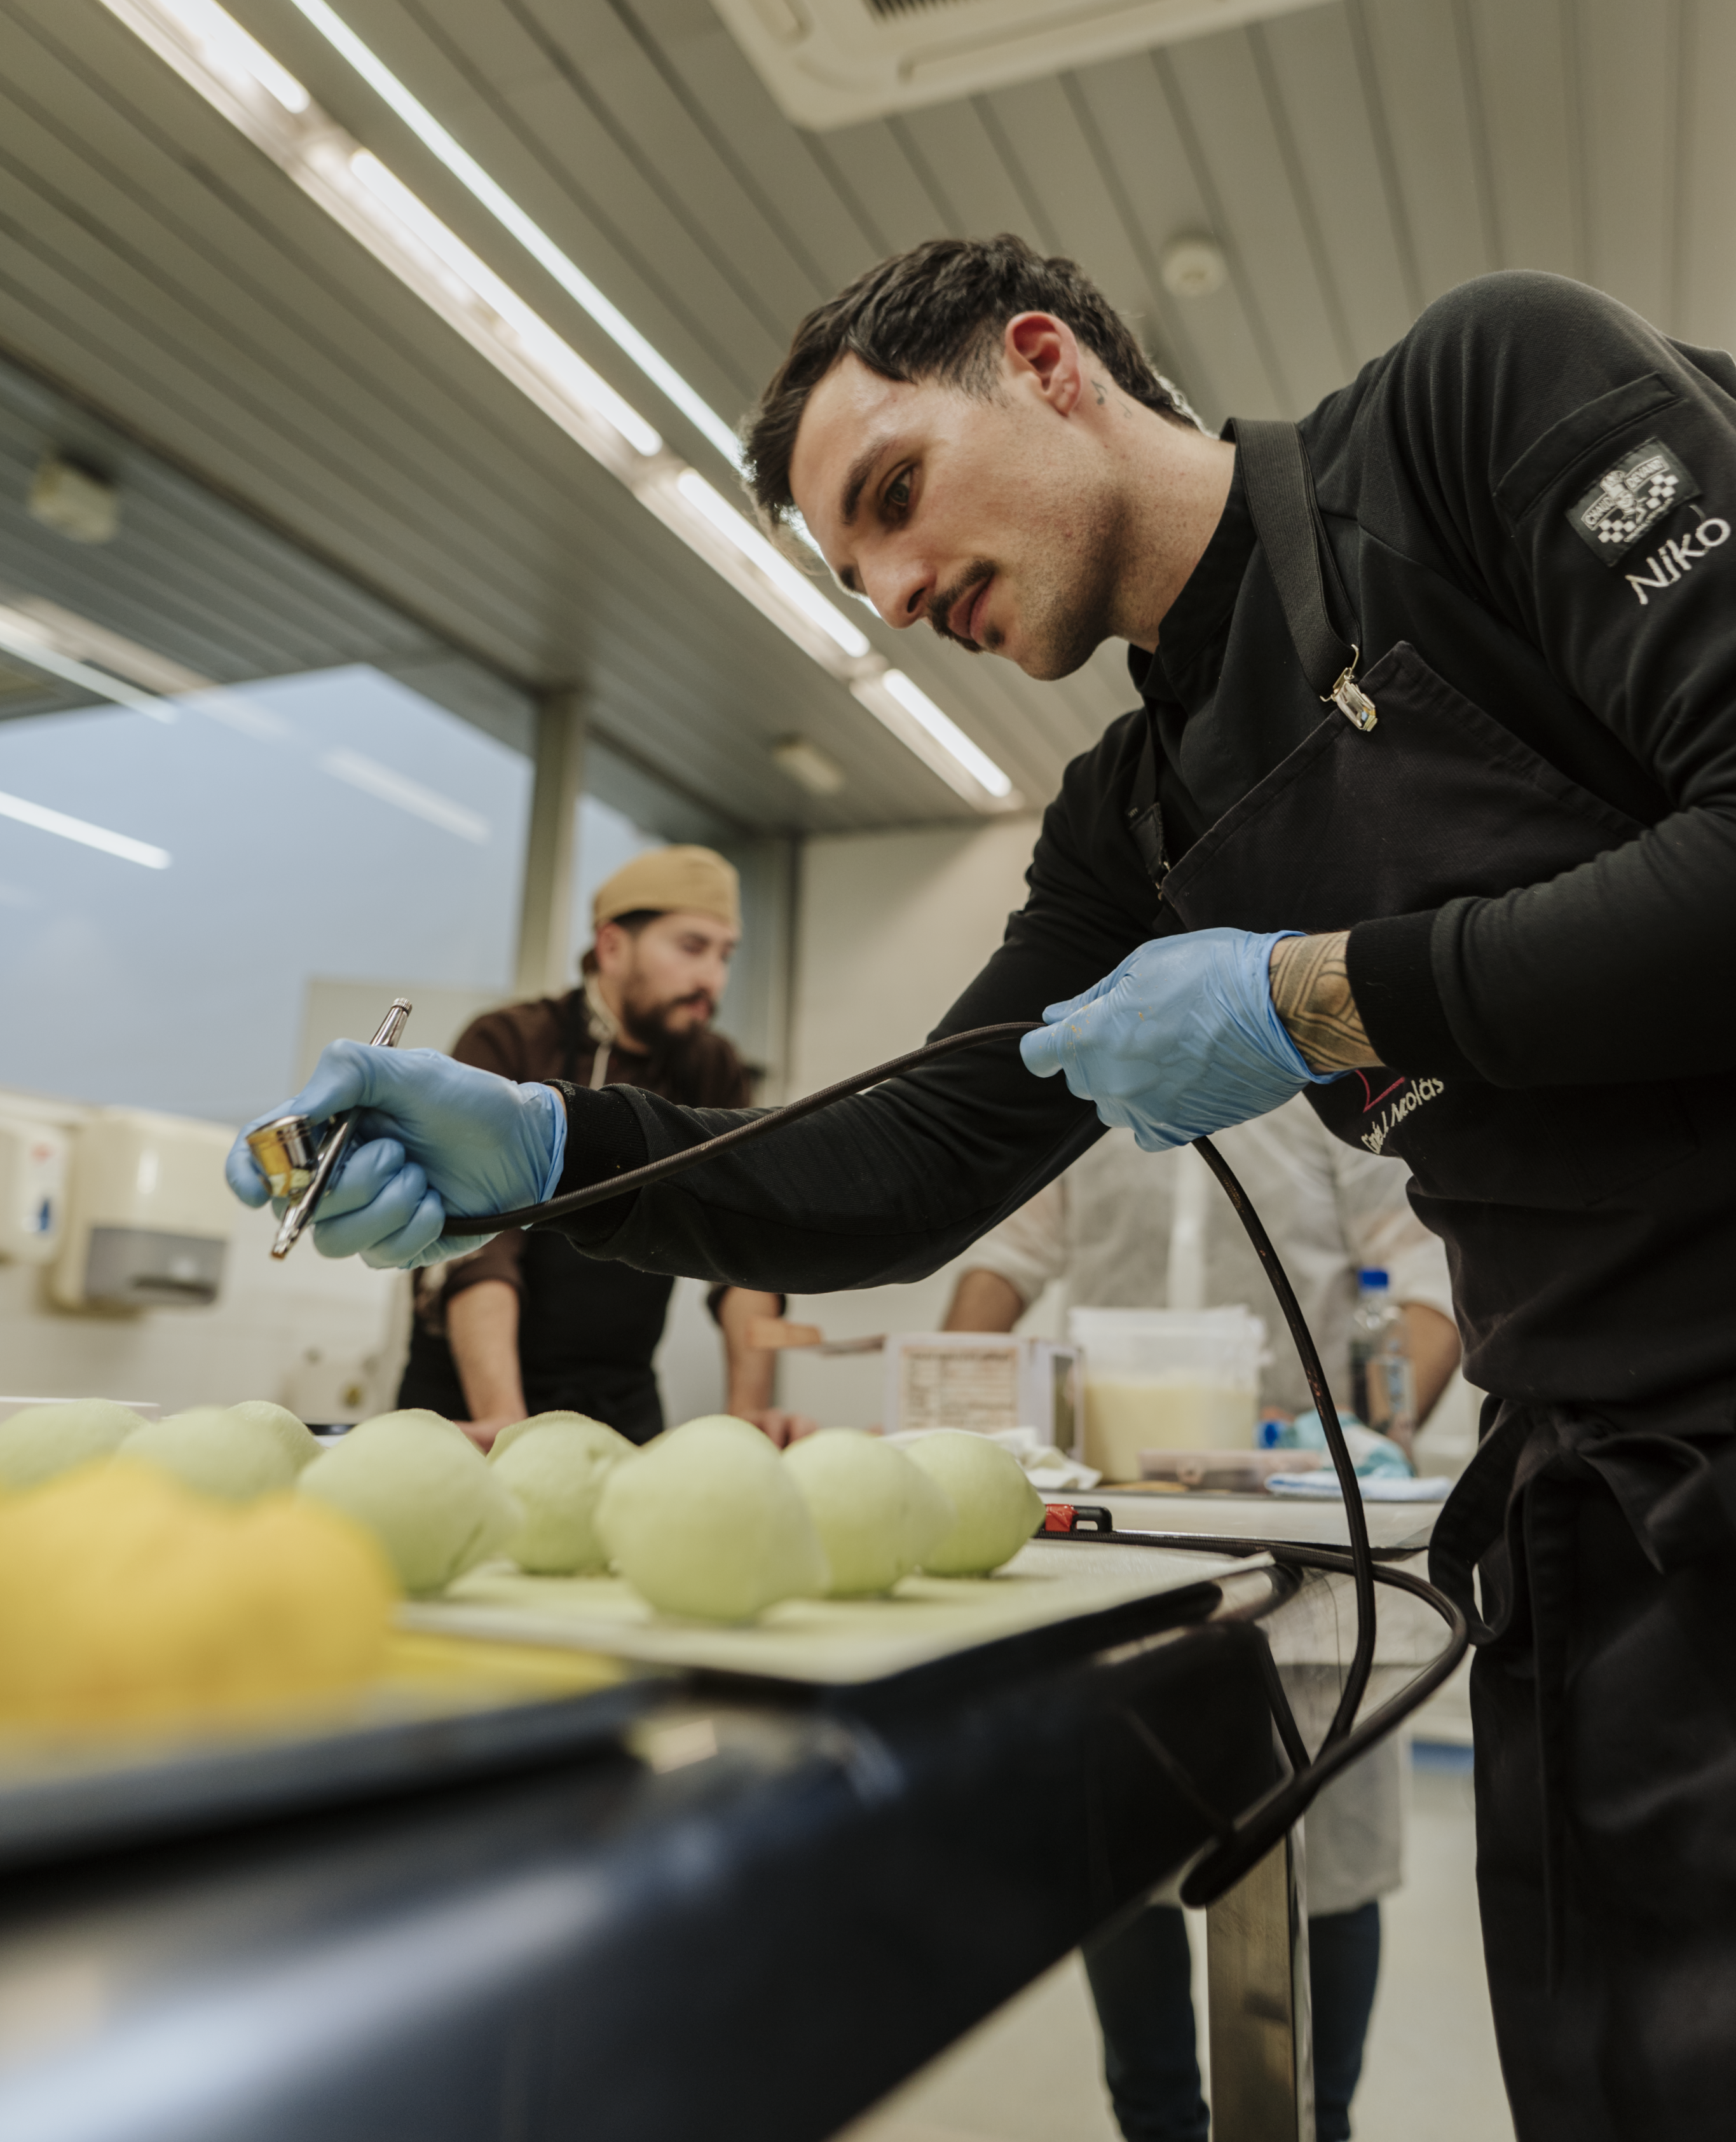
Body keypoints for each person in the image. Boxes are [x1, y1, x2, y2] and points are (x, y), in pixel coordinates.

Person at [231, 239, 1736, 2138]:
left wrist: (1314, 993)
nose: (887, 590)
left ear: (1043, 365)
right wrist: (552, 1152)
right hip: (1601, 1534)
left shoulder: (1471, 414)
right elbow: (912, 1159)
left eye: (891, 496)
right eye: (847, 571)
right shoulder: (1142, 812)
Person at [941, 1097, 1459, 2142]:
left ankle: (1321, 2121)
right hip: (1127, 1526)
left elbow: (1421, 1271)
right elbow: (1010, 1251)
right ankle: (1158, 2124)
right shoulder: (1098, 1099)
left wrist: (1375, 1438)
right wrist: (947, 1412)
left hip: (1299, 1511)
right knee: (1123, 1834)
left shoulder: (1327, 1087)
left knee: (1331, 1836)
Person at [396, 844, 806, 1449]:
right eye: (692, 948)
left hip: (622, 1399)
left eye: (725, 956)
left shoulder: (712, 1068)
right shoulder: (510, 1043)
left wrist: (748, 1412)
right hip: (474, 1401)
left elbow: (747, 1245)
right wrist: (506, 1427)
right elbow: (479, 1243)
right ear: (612, 946)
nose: (711, 980)